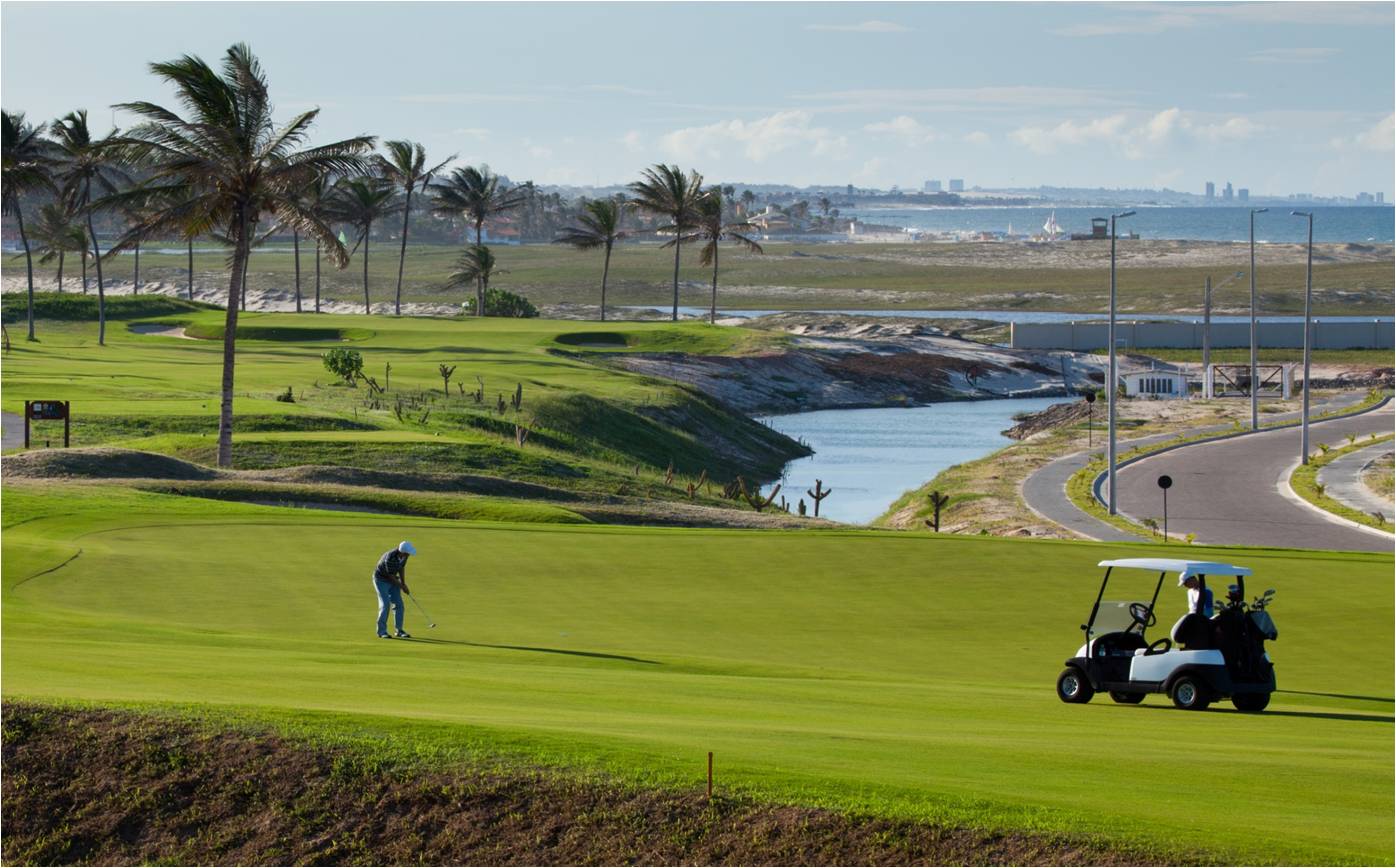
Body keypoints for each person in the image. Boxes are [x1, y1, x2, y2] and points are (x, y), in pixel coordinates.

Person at [373, 541, 417, 639]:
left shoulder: (404, 556)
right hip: (381, 580)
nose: (408, 555)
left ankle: (399, 630)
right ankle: (382, 631)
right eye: (407, 553)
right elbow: (390, 576)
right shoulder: (390, 558)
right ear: (402, 552)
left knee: (399, 604)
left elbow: (401, 568)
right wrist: (402, 587)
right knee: (385, 605)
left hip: (393, 579)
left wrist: (403, 583)